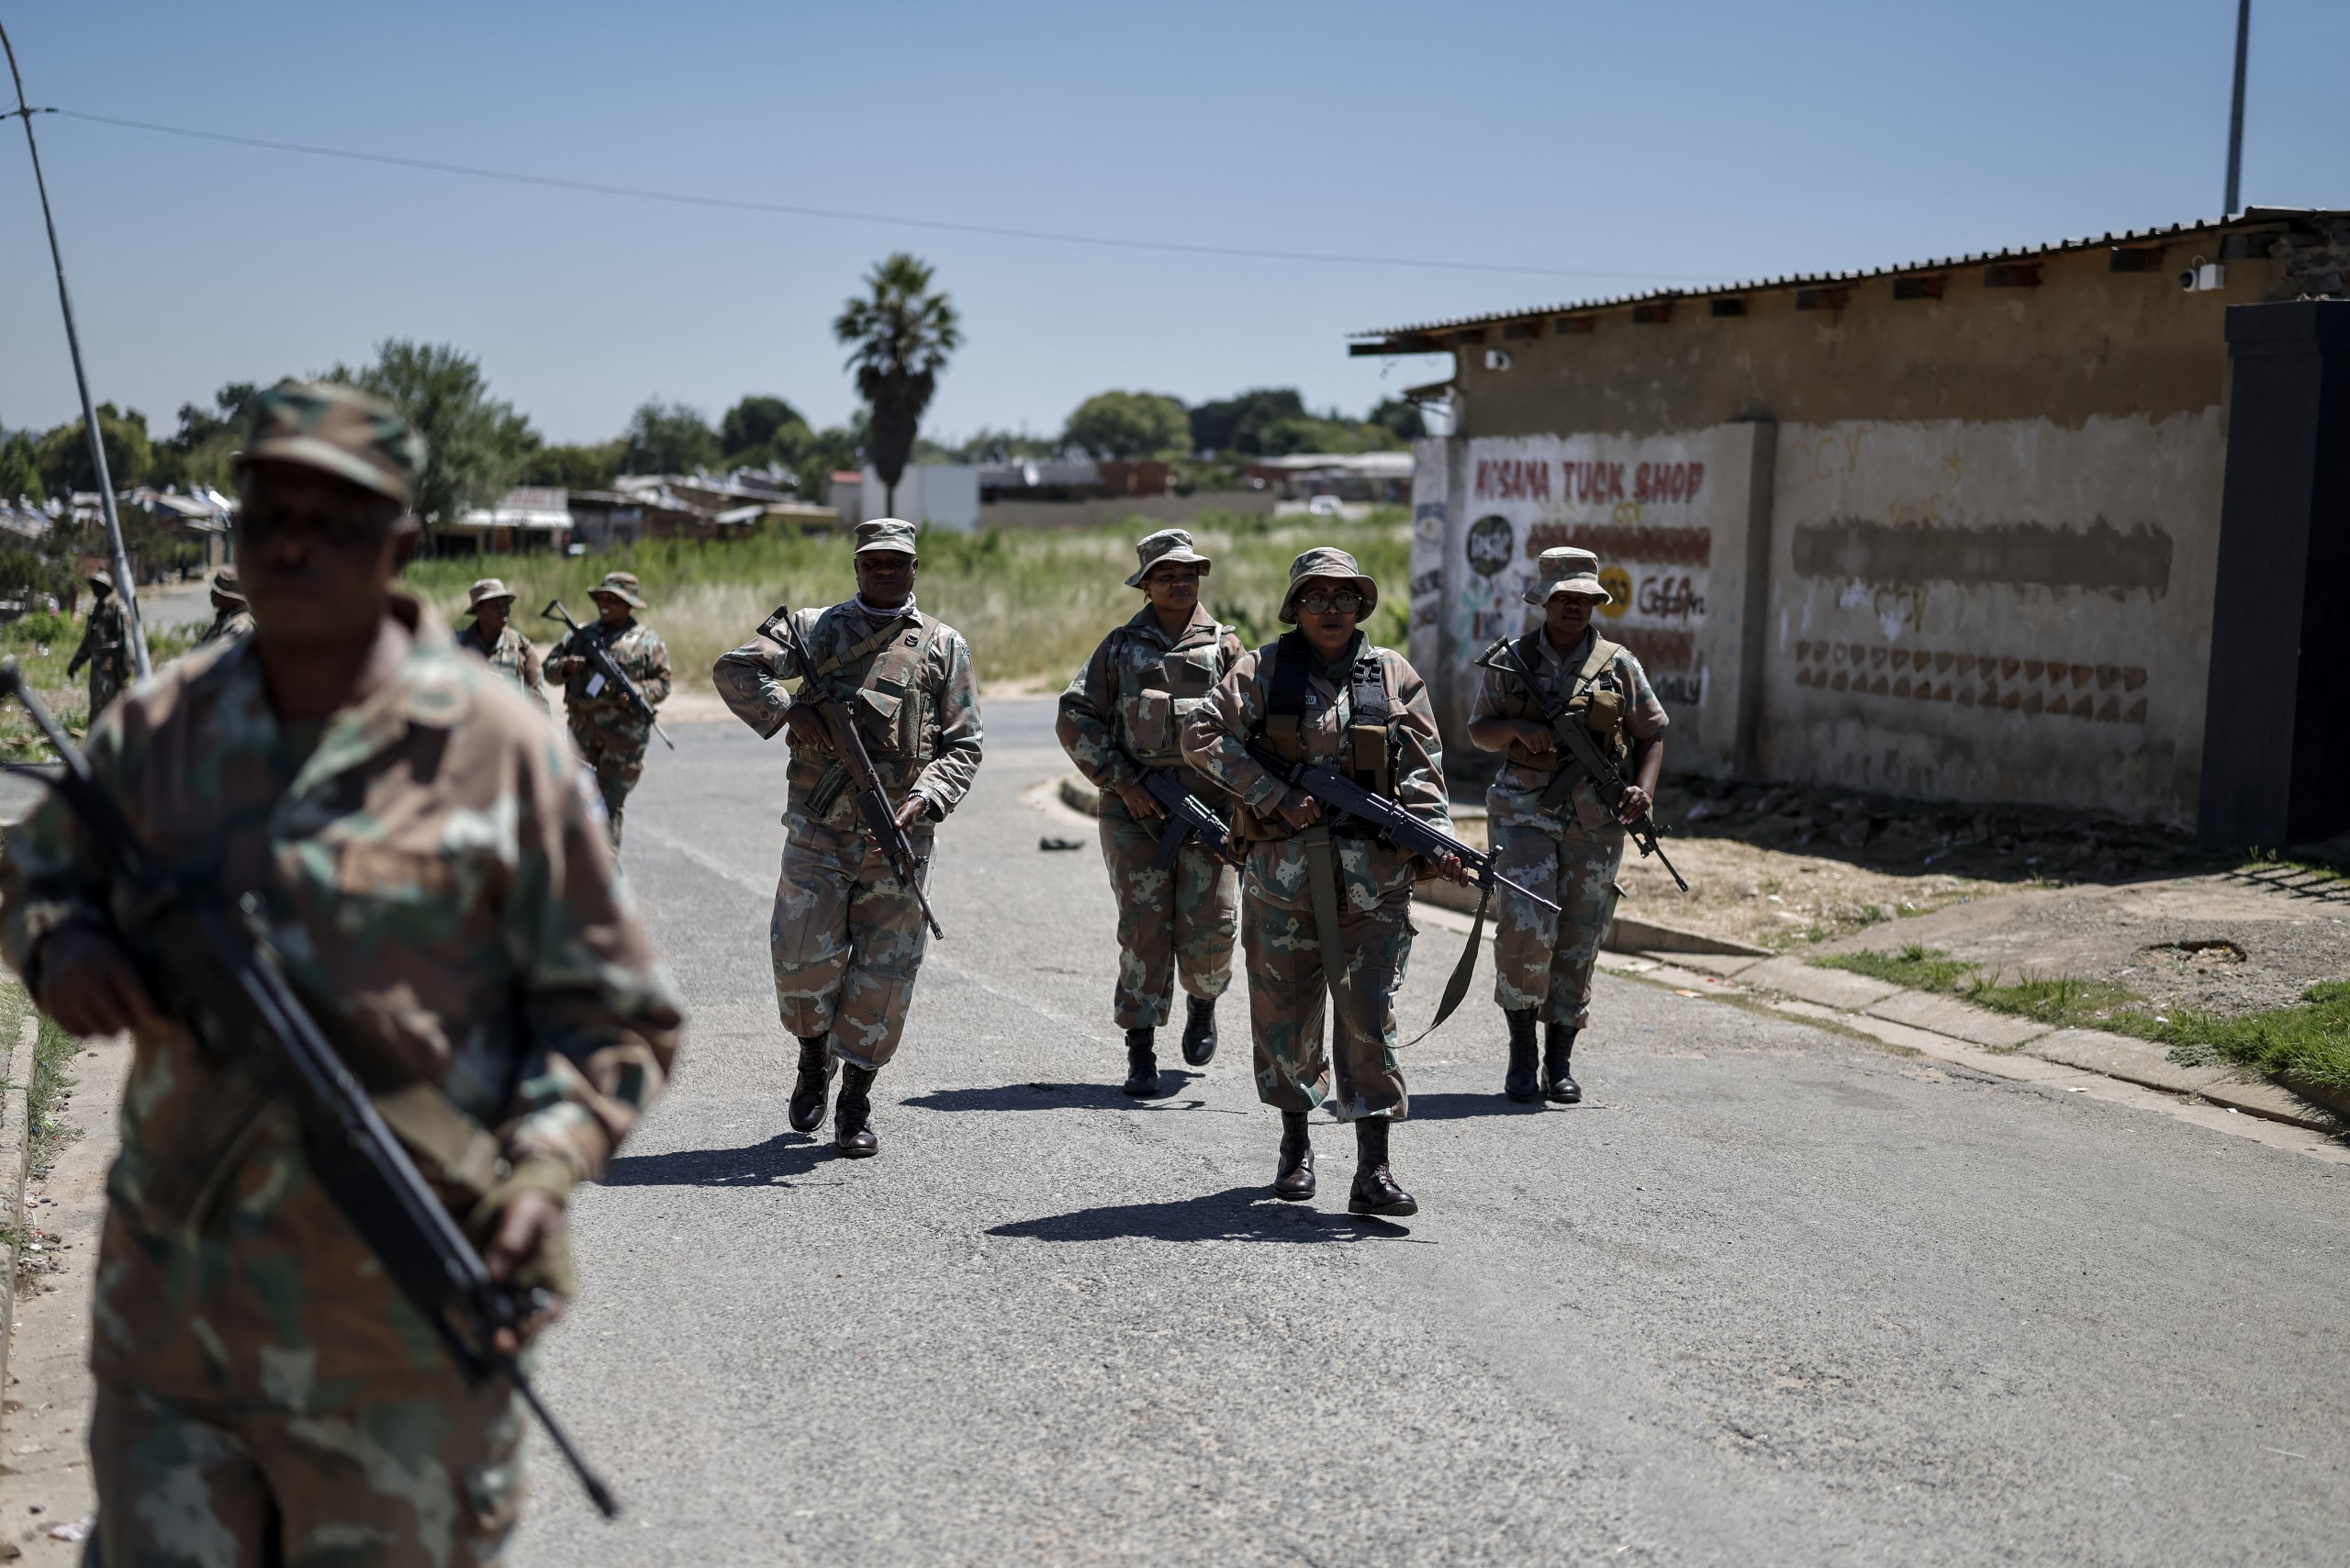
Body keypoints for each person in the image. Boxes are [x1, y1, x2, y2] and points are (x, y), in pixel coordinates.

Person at [0, 381, 684, 1564]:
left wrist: (543, 1166)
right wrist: (65, 944)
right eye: (270, 513)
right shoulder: (157, 728)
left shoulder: (500, 748)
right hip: (177, 1334)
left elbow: (614, 1014)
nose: (297, 541)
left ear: (403, 545)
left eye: (338, 516)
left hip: (403, 1343)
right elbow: (36, 874)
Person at [1181, 547, 1463, 1217]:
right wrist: (1272, 793)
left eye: (1344, 596)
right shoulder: (1264, 668)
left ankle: (1373, 1170)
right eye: (1317, 597)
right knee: (1286, 1015)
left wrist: (1438, 841)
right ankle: (1295, 1147)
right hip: (1283, 879)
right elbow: (1200, 733)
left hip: (1374, 886)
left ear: (1362, 604)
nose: (1332, 608)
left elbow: (1425, 772)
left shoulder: (1391, 675)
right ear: (1296, 607)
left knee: (1370, 1014)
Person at [713, 518, 983, 1159]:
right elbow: (734, 670)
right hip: (818, 831)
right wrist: (792, 710)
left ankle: (855, 1098)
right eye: (873, 562)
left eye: (897, 562)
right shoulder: (813, 629)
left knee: (885, 973)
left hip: (900, 837)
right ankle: (814, 1057)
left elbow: (964, 745)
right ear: (857, 566)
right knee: (802, 956)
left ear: (915, 567)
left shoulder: (944, 646)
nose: (885, 571)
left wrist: (928, 797)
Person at [1466, 546, 1668, 1103]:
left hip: (1597, 819)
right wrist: (1515, 728)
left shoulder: (1619, 664)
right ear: (1545, 601)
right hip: (1522, 810)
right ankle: (1521, 1055)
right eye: (1564, 598)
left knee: (1581, 931)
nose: (1574, 607)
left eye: (1584, 598)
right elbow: (1478, 730)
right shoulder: (1511, 660)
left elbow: (1651, 733)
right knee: (1527, 925)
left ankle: (1559, 1061)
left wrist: (1641, 792)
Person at [1056, 528, 1245, 1096]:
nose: (1179, 581)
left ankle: (1203, 1002)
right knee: (1144, 929)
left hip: (1209, 811)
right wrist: (1122, 779)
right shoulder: (1119, 648)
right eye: (1166, 574)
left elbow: (1253, 728)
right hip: (1135, 811)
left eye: (1187, 573)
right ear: (1146, 585)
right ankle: (1140, 1049)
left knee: (1211, 926)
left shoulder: (1227, 649)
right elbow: (1075, 716)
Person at [548, 570, 670, 847]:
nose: (605, 603)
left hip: (622, 743)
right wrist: (566, 666)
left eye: (612, 599)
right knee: (577, 806)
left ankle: (604, 874)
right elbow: (548, 670)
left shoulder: (647, 642)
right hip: (582, 737)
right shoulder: (581, 635)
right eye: (602, 598)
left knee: (608, 807)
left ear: (628, 604)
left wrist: (640, 692)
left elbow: (663, 683)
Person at [455, 575, 549, 711]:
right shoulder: (456, 646)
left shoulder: (521, 647)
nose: (504, 610)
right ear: (478, 609)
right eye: (495, 605)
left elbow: (538, 701)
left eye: (505, 604)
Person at [66, 569, 132, 719]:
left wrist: (125, 669)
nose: (95, 589)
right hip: (97, 667)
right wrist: (76, 663)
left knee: (113, 709)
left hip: (112, 669)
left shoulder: (117, 608)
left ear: (106, 588)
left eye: (98, 586)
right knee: (97, 707)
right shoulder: (96, 610)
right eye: (94, 586)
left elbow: (127, 640)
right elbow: (89, 642)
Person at [196, 566, 255, 645]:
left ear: (228, 598)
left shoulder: (240, 625)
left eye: (215, 591)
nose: (211, 594)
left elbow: (217, 654)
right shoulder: (224, 617)